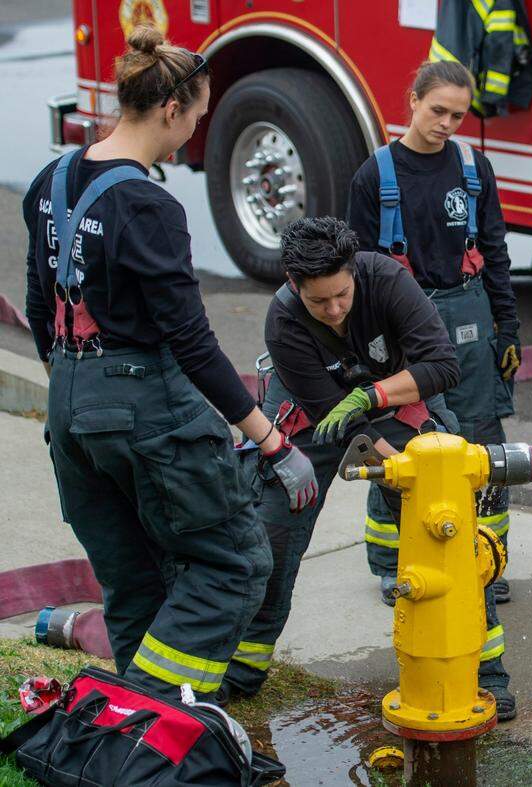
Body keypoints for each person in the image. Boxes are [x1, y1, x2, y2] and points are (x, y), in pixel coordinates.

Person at [22, 26, 318, 700]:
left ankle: (132, 734)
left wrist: (75, 392)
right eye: (200, 114)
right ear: (168, 111)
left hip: (70, 405)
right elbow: (191, 342)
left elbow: (43, 309)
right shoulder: (148, 205)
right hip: (142, 405)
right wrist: (270, 440)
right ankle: (153, 728)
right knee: (236, 563)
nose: (195, 130)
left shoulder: (51, 182)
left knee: (134, 581)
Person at [220, 216, 516, 721]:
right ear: (295, 286)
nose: (334, 310)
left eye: (342, 295)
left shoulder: (386, 281)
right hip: (315, 408)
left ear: (353, 270)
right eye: (320, 302)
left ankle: (484, 672)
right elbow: (334, 415)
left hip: (396, 396)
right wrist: (383, 452)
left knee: (447, 527)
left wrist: (379, 402)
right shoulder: (285, 319)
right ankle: (243, 668)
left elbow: (443, 366)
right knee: (270, 534)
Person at [347, 60, 520, 606]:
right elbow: (355, 272)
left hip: (469, 320)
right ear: (413, 100)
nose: (446, 123)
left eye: (458, 115)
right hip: (403, 323)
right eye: (437, 110)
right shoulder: (375, 175)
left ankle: (486, 558)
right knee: (401, 445)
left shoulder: (474, 168)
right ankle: (389, 562)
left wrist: (507, 326)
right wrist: (368, 348)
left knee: (482, 445)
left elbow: (495, 253)